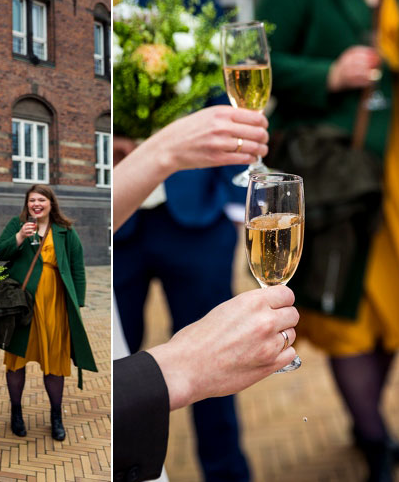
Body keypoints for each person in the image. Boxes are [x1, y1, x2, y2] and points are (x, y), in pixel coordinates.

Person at [257, 0, 399, 478]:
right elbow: (256, 62)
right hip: (337, 176)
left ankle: (366, 420)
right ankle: (372, 435)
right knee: (344, 307)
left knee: (397, 307)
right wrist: (328, 74)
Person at [113, 0, 253, 479]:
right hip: (114, 227)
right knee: (117, 373)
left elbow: (229, 90)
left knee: (221, 366)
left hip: (194, 217)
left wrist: (231, 200)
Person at [112, 105, 300, 481]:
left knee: (224, 355)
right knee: (115, 363)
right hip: (118, 227)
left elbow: (235, 102)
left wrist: (239, 207)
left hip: (197, 220)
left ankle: (226, 472)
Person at [0, 185, 95, 443]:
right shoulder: (17, 225)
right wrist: (18, 237)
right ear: (26, 204)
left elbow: (77, 268)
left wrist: (78, 302)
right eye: (32, 200)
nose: (36, 204)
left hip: (55, 305)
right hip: (22, 306)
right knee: (16, 360)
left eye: (41, 200)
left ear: (51, 203)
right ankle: (16, 413)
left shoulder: (65, 231)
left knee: (54, 362)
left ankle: (56, 416)